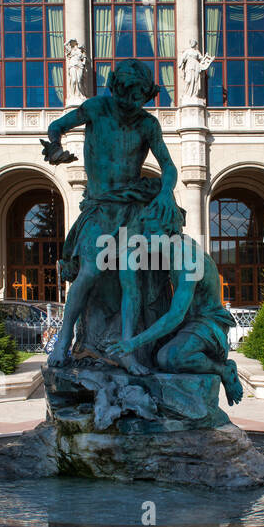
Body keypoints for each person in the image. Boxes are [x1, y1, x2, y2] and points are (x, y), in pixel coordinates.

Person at [41, 59, 181, 372]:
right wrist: (54, 146)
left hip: (130, 208)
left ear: (144, 95)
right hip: (99, 207)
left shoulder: (148, 124)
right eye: (125, 93)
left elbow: (169, 167)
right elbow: (56, 127)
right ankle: (63, 342)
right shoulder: (94, 108)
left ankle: (126, 351)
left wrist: (165, 192)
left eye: (137, 97)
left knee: (130, 281)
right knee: (90, 270)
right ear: (115, 86)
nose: (130, 101)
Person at [108, 204, 243, 404]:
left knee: (169, 358)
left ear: (170, 231)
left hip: (208, 324)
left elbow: (176, 314)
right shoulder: (170, 251)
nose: (145, 237)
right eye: (145, 231)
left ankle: (224, 370)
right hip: (187, 324)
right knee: (152, 356)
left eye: (152, 231)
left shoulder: (188, 257)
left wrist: (133, 342)